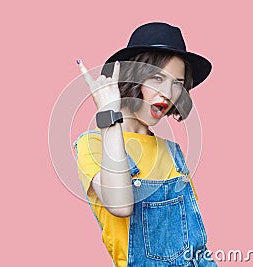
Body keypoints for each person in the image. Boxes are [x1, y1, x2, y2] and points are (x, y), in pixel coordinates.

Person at [73, 22, 217, 267]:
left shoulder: (174, 153)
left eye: (177, 83)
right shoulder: (92, 144)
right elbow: (120, 205)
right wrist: (109, 116)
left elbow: (195, 247)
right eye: (157, 78)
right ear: (133, 77)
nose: (168, 93)